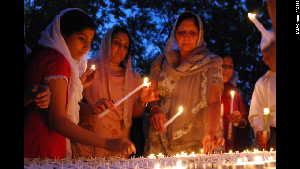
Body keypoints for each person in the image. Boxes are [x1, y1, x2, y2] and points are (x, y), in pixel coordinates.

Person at [24, 9, 134, 159]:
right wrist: (109, 143)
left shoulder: (43, 55)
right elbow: (58, 120)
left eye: (90, 42)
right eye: (81, 39)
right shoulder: (58, 61)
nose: (86, 48)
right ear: (63, 35)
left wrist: (79, 86)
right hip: (45, 145)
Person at [144, 11, 224, 156]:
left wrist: (211, 132)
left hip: (196, 139)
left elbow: (214, 100)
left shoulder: (211, 63)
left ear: (199, 35)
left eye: (192, 33)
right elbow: (151, 97)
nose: (186, 37)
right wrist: (155, 109)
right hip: (161, 136)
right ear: (175, 34)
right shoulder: (161, 62)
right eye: (182, 32)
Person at [72, 26, 158, 158]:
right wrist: (92, 109)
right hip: (89, 141)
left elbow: (134, 114)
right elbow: (72, 102)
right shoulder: (87, 69)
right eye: (117, 43)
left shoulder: (134, 78)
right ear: (107, 42)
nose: (121, 49)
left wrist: (142, 101)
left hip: (119, 144)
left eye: (125, 46)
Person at [248, 5, 276, 149]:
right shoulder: (263, 83)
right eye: (263, 56)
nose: (264, 60)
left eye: (268, 55)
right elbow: (256, 112)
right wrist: (261, 129)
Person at [221, 55, 251, 151]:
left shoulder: (236, 92)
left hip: (231, 145)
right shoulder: (208, 89)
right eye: (223, 66)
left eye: (230, 67)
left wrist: (239, 121)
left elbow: (245, 120)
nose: (227, 70)